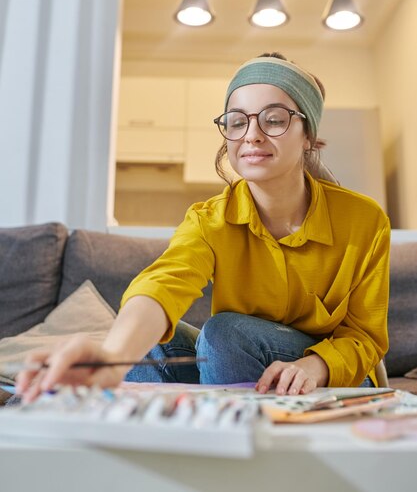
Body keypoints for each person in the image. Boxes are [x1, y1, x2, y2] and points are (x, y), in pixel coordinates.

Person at [17, 52, 390, 402]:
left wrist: (315, 365)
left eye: (274, 119)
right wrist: (111, 355)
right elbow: (165, 281)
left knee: (224, 332)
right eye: (237, 121)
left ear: (308, 135)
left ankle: (241, 451)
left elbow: (364, 337)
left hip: (332, 372)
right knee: (154, 344)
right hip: (242, 362)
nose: (251, 135)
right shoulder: (210, 219)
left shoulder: (364, 221)